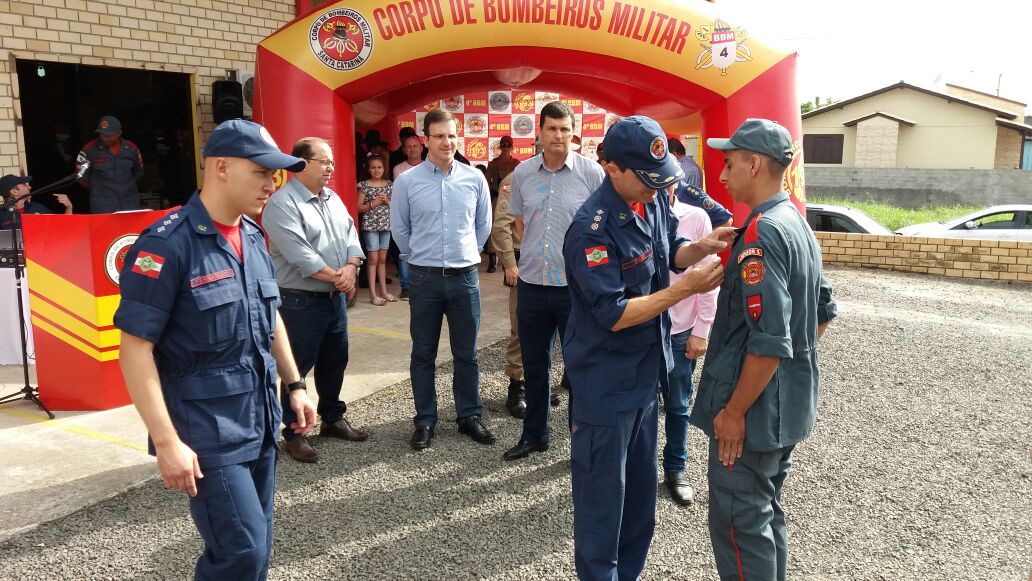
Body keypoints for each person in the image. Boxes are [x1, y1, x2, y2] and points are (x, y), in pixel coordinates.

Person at [114, 119, 317, 580]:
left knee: (258, 544)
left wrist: (296, 384)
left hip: (260, 419)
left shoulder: (251, 235)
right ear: (222, 167)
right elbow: (135, 350)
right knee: (240, 550)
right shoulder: (166, 245)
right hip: (206, 431)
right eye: (262, 172)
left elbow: (270, 317)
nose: (272, 183)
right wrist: (167, 443)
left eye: (276, 173)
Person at [562, 115, 734, 580]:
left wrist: (701, 247)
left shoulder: (651, 200)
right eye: (646, 179)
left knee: (639, 505)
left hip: (645, 376)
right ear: (611, 167)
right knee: (602, 509)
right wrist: (684, 291)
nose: (657, 189)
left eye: (662, 181)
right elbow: (614, 314)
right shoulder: (590, 229)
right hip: (605, 384)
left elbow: (669, 249)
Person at [690, 118, 837, 580]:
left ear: (754, 164)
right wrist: (784, 375)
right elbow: (821, 313)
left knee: (740, 526)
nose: (721, 175)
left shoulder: (761, 234)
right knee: (764, 517)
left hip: (751, 417)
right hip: (783, 407)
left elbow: (770, 340)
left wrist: (737, 409)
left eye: (729, 163)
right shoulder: (794, 220)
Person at [501, 101, 605, 462]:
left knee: (579, 368)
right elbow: (520, 224)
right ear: (540, 133)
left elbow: (601, 231)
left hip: (574, 289)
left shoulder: (592, 174)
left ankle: (581, 443)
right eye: (551, 129)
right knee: (534, 364)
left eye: (564, 129)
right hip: (531, 284)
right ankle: (535, 435)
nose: (558, 136)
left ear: (573, 133)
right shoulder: (523, 174)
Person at [391, 108, 495, 451]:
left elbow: (483, 225)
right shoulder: (407, 181)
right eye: (439, 136)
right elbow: (400, 230)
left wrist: (468, 253)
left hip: (465, 278)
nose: (447, 142)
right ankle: (424, 420)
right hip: (424, 279)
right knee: (423, 353)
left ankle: (469, 415)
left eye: (451, 135)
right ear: (425, 140)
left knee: (466, 353)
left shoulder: (474, 178)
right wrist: (422, 257)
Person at [262, 136, 369, 464]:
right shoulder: (282, 205)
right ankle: (294, 432)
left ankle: (332, 417)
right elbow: (301, 257)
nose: (331, 168)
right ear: (301, 164)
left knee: (335, 360)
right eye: (324, 161)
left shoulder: (332, 198)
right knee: (298, 367)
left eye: (331, 162)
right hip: (299, 301)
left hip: (334, 298)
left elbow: (351, 234)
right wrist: (342, 276)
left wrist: (351, 266)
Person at [659, 183, 719, 507]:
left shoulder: (695, 218)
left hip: (680, 328)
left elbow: (708, 279)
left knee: (678, 403)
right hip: (640, 329)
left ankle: (675, 467)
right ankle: (631, 467)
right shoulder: (631, 217)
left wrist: (702, 330)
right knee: (638, 406)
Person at [489, 173, 525, 418]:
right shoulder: (517, 178)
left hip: (558, 264)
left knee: (548, 330)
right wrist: (509, 263)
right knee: (521, 327)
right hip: (524, 262)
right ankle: (517, 385)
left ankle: (536, 383)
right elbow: (501, 223)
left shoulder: (574, 175)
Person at [76, 115, 144, 213]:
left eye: (109, 135)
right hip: (103, 204)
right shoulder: (88, 150)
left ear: (119, 133)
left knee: (132, 228)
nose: (105, 138)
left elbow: (138, 174)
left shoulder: (132, 149)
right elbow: (81, 178)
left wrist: (124, 187)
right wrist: (99, 190)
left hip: (129, 202)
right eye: (102, 134)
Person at [356, 154, 396, 305]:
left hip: (386, 225)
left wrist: (388, 201)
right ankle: (373, 295)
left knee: (382, 259)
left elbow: (396, 207)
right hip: (370, 226)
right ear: (368, 169)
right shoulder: (363, 185)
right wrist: (373, 203)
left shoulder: (389, 185)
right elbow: (358, 208)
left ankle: (384, 292)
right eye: (373, 167)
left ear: (384, 168)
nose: (376, 170)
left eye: (379, 167)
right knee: (372, 259)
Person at [391, 134, 424, 300]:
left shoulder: (429, 167)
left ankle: (421, 285)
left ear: (422, 147)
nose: (412, 149)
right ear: (404, 149)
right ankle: (405, 287)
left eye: (415, 146)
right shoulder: (398, 169)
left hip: (422, 216)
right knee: (405, 251)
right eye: (408, 146)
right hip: (405, 214)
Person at [485, 136, 521, 273]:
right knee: (497, 225)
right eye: (503, 145)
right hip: (497, 197)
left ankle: (511, 258)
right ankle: (492, 259)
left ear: (512, 147)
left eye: (508, 145)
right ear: (500, 147)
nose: (506, 148)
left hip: (515, 198)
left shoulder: (517, 164)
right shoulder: (494, 164)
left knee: (515, 229)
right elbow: (487, 181)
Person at [1, 175, 73, 230]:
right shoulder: (1, 214)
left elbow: (64, 227)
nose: (29, 187)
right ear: (15, 192)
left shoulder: (37, 207)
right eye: (25, 185)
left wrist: (69, 207)